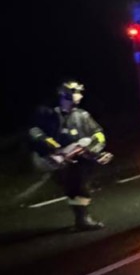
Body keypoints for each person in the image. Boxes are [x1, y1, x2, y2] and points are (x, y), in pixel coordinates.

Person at [28, 80, 112, 231]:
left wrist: (97, 151)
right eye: (76, 92)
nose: (80, 96)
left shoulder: (82, 115)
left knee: (78, 182)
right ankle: (82, 219)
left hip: (73, 159)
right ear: (65, 94)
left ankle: (82, 219)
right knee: (74, 183)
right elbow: (34, 132)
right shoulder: (48, 113)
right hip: (49, 158)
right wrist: (49, 147)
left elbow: (98, 133)